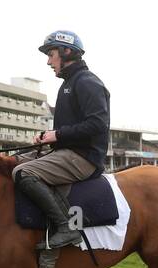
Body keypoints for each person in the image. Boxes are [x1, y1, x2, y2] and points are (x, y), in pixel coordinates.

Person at [13, 30, 111, 249]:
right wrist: (48, 137)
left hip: (84, 159)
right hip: (66, 152)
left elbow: (98, 124)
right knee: (12, 160)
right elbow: (71, 129)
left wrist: (56, 135)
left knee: (23, 172)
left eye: (51, 54)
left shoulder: (86, 82)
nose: (48, 61)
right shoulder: (69, 83)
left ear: (67, 51)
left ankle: (66, 228)